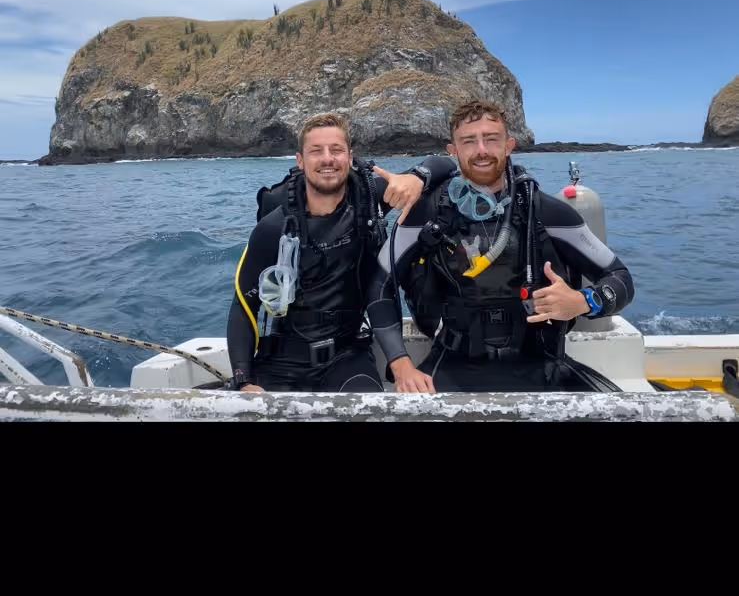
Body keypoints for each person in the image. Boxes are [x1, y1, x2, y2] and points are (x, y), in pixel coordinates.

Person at [367, 101, 635, 394]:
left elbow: (620, 278)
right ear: (453, 151)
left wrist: (584, 301)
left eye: (491, 138)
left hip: (541, 364)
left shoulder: (546, 212)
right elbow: (380, 284)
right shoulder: (427, 213)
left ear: (508, 145)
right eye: (469, 141)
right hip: (454, 362)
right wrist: (400, 363)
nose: (481, 149)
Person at [226, 112, 456, 394]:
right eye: (316, 151)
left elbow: (445, 164)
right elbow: (243, 305)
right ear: (300, 160)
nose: (327, 159)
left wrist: (416, 178)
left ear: (350, 157)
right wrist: (244, 380)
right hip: (283, 359)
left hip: (348, 356)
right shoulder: (274, 227)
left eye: (336, 150)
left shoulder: (369, 199)